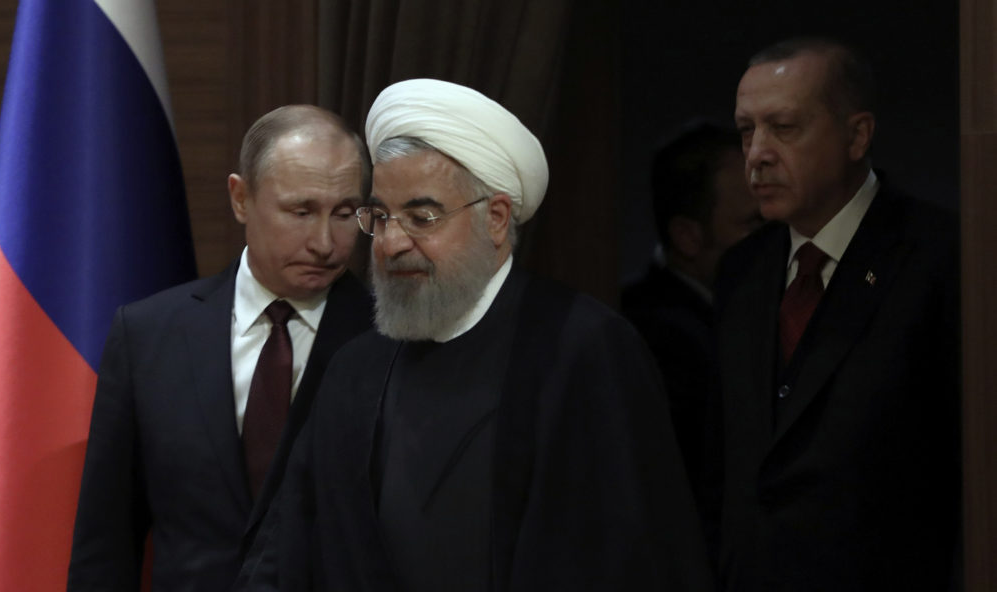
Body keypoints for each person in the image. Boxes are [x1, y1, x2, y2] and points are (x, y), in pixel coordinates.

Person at [238, 79, 712, 592]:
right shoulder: (356, 367)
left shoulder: (585, 350)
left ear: (496, 218)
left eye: (422, 217)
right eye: (380, 217)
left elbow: (637, 556)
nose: (393, 243)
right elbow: (287, 551)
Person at [67, 105, 374, 590]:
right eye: (301, 211)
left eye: (343, 214)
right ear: (241, 198)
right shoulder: (148, 335)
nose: (325, 242)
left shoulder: (390, 339)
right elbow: (105, 542)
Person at [715, 38, 960, 590]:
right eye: (747, 130)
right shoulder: (742, 271)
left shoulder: (941, 256)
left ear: (857, 136)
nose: (757, 154)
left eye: (784, 127)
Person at [621, 121, 761, 496]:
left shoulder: (737, 315)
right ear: (688, 237)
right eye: (756, 223)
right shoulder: (657, 340)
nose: (781, 238)